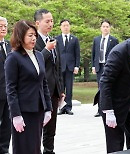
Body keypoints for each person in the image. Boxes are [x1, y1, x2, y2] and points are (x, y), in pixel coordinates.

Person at [5, 20, 52, 154]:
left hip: (38, 109)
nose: (33, 38)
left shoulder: (38, 55)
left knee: (35, 147)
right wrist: (15, 115)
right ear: (20, 36)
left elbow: (43, 83)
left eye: (35, 35)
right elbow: (11, 89)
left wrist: (48, 108)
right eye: (30, 35)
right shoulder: (13, 58)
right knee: (24, 148)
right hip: (23, 111)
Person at [34, 9, 64, 154]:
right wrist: (46, 49)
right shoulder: (33, 40)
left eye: (52, 21)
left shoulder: (52, 40)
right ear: (37, 23)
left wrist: (61, 89)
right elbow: (34, 62)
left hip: (53, 91)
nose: (50, 24)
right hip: (38, 91)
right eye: (47, 21)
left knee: (51, 126)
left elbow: (57, 67)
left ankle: (49, 150)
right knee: (38, 125)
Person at [92, 20, 119, 117]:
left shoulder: (114, 40)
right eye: (103, 26)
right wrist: (93, 66)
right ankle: (100, 109)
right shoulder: (96, 39)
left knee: (109, 87)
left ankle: (110, 107)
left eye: (107, 26)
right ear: (101, 28)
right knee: (100, 88)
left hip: (109, 66)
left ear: (110, 28)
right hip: (99, 66)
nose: (105, 28)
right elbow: (94, 53)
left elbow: (117, 54)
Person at [56, 19, 80, 115]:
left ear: (69, 27)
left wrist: (77, 66)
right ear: (60, 27)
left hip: (70, 67)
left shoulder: (74, 39)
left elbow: (77, 54)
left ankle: (68, 107)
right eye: (64, 25)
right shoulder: (56, 39)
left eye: (67, 25)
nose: (66, 27)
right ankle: (61, 107)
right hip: (60, 66)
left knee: (69, 88)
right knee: (61, 88)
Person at [0, 16, 11, 154]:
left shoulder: (9, 45)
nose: (3, 28)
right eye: (0, 26)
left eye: (5, 26)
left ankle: (4, 149)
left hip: (9, 92)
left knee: (7, 124)